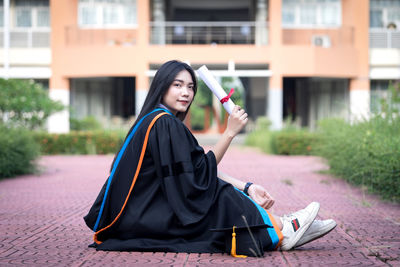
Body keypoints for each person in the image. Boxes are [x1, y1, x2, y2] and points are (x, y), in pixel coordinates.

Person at [84, 60, 336, 257]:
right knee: (218, 195)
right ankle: (283, 229)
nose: (186, 93)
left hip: (139, 214)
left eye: (190, 87)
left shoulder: (156, 120)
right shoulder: (163, 124)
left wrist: (247, 187)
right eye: (177, 85)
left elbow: (194, 169)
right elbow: (199, 176)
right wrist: (229, 133)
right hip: (141, 218)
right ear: (161, 87)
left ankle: (281, 228)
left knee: (217, 190)